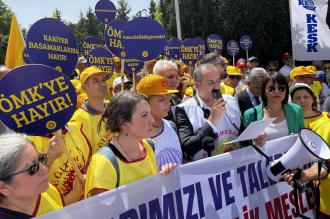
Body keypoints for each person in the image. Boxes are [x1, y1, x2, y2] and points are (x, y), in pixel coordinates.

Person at [85, 91, 175, 197]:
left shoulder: (149, 146)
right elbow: (101, 211)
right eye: (144, 115)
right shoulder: (103, 163)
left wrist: (164, 176)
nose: (152, 120)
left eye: (149, 113)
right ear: (124, 125)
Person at [175, 64, 241, 161]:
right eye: (210, 83)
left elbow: (241, 130)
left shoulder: (230, 100)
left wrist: (255, 137)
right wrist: (211, 122)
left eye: (218, 81)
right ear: (197, 85)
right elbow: (188, 147)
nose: (216, 87)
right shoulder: (184, 109)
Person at [286, 83, 330, 218]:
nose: (302, 101)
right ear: (291, 102)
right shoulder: (287, 125)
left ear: (313, 98)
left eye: (306, 96)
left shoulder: (327, 118)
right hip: (299, 194)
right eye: (297, 98)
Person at [0, 134, 64, 218]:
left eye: (41, 158)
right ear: (3, 187)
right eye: (32, 168)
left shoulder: (44, 191)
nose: (44, 169)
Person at [136, 75, 182, 169]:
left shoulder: (171, 125)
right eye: (161, 99)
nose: (168, 103)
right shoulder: (137, 137)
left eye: (168, 97)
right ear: (144, 103)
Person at [243, 73, 304, 142]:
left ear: (286, 90)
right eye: (271, 88)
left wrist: (298, 138)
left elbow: (303, 136)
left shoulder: (296, 110)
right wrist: (254, 141)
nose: (277, 91)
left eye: (281, 88)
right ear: (264, 92)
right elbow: (244, 144)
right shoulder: (250, 114)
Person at [70, 66, 110, 155]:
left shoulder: (114, 107)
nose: (103, 84)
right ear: (84, 87)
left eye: (103, 80)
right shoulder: (77, 119)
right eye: (96, 81)